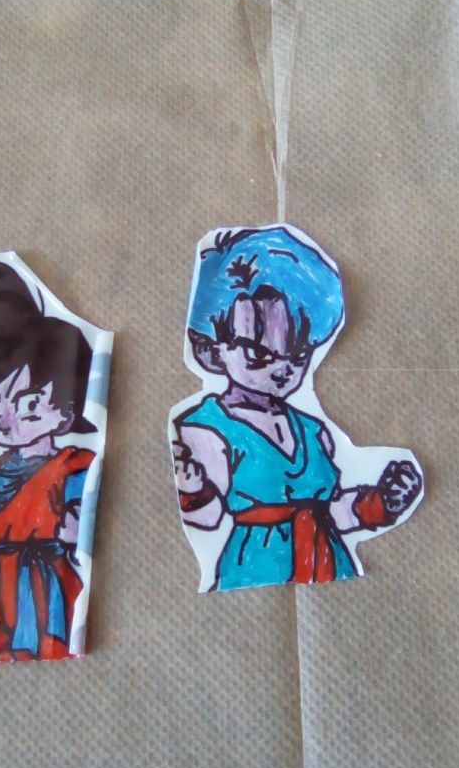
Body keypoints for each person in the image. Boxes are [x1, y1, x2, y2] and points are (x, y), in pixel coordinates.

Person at [171, 227, 422, 590]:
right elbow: (207, 521)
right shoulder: (205, 429)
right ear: (211, 350)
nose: (282, 370)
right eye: (259, 354)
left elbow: (333, 512)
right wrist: (195, 489)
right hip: (254, 573)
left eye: (298, 356)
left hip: (330, 567)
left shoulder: (311, 430)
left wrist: (381, 502)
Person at [0, 256, 96, 663]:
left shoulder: (71, 466)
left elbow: (79, 523)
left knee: (32, 649)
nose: (3, 418)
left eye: (26, 405)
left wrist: (72, 523)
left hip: (38, 593)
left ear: (64, 417)